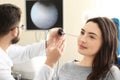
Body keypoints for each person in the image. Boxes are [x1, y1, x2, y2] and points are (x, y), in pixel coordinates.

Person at [0, 3, 65, 80]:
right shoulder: (1, 67)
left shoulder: (4, 48)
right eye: (21, 26)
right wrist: (50, 63)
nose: (22, 29)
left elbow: (25, 52)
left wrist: (48, 43)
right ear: (15, 31)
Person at [51, 17, 120, 80]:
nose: (82, 39)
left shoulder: (110, 73)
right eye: (82, 32)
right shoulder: (66, 67)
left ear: (105, 43)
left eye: (91, 37)